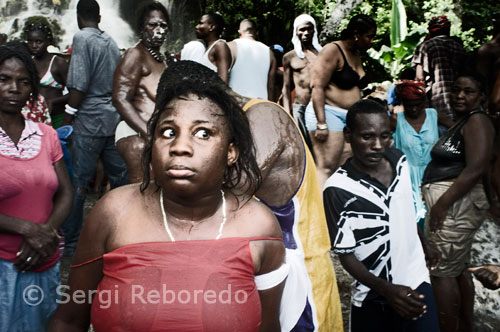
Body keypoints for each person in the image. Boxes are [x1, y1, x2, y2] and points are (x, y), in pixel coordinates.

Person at [49, 62, 287, 332]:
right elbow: (68, 320)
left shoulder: (259, 226)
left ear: (231, 152)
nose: (180, 147)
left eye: (203, 133)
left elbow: (269, 327)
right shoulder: (113, 212)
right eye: (169, 132)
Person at [165, 61, 344, 331]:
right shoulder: (232, 129)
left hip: (297, 279)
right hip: (261, 273)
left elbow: (226, 199)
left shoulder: (262, 118)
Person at [323, 99, 440, 331]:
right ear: (348, 135)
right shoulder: (338, 189)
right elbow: (346, 256)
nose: (378, 145)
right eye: (367, 137)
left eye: (385, 136)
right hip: (372, 297)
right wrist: (386, 289)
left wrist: (423, 242)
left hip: (416, 280)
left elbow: (404, 210)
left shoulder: (400, 162)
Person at [0, 45, 72, 331]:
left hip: (44, 259)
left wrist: (46, 233)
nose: (13, 88)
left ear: (32, 87)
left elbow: (66, 191)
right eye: (3, 79)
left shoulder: (46, 134)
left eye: (23, 81)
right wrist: (28, 229)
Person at [421, 72, 495, 332]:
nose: (460, 95)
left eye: (468, 91)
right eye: (456, 90)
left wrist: (442, 204)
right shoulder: (464, 121)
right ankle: (464, 325)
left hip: (455, 206)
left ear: (481, 97)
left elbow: (476, 168)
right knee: (457, 267)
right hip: (453, 205)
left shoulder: (478, 122)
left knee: (441, 270)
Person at [62, 0, 128, 257]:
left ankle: (70, 242)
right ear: (99, 17)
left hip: (89, 121)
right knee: (121, 180)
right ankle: (122, 233)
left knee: (77, 183)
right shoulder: (111, 41)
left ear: (79, 16)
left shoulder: (81, 38)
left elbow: (78, 84)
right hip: (112, 119)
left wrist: (68, 118)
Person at [308, 14, 377, 186]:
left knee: (346, 164)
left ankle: (336, 206)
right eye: (369, 36)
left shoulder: (356, 54)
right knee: (327, 166)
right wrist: (322, 123)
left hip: (349, 118)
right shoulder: (332, 50)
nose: (372, 41)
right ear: (356, 34)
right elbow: (317, 87)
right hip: (327, 113)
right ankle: (319, 211)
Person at [113, 1, 170, 183]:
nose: (159, 30)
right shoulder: (135, 54)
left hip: (156, 136)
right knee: (144, 193)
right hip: (135, 134)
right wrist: (148, 133)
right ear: (141, 29)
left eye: (163, 25)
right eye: (153, 25)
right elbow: (120, 98)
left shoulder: (162, 60)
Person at [392, 80, 439, 227]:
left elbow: (457, 130)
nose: (413, 109)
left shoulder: (434, 115)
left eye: (418, 104)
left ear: (424, 101)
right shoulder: (395, 120)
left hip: (434, 174)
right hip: (407, 176)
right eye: (409, 105)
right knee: (413, 219)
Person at [412, 15, 466, 123]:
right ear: (448, 30)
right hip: (459, 97)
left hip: (437, 98)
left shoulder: (426, 46)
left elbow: (419, 79)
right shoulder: (459, 47)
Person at [282, 14, 322, 155]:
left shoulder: (322, 54)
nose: (305, 33)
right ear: (296, 32)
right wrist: (288, 113)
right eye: (302, 29)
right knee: (302, 148)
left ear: (314, 30)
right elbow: (286, 88)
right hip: (300, 108)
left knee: (320, 148)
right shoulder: (289, 57)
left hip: (320, 108)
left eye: (309, 29)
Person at [23, 17, 69, 129]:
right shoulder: (28, 63)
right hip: (33, 118)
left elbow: (75, 93)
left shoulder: (58, 63)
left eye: (38, 41)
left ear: (48, 42)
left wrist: (53, 101)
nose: (34, 46)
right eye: (30, 41)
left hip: (57, 118)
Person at [228, 19, 276, 100]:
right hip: (260, 103)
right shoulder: (269, 53)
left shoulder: (230, 46)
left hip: (236, 103)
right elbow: (271, 87)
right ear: (257, 32)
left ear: (239, 32)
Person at [195, 12, 232, 83]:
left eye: (201, 23)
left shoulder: (220, 46)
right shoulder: (207, 49)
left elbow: (223, 82)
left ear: (211, 27)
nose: (196, 27)